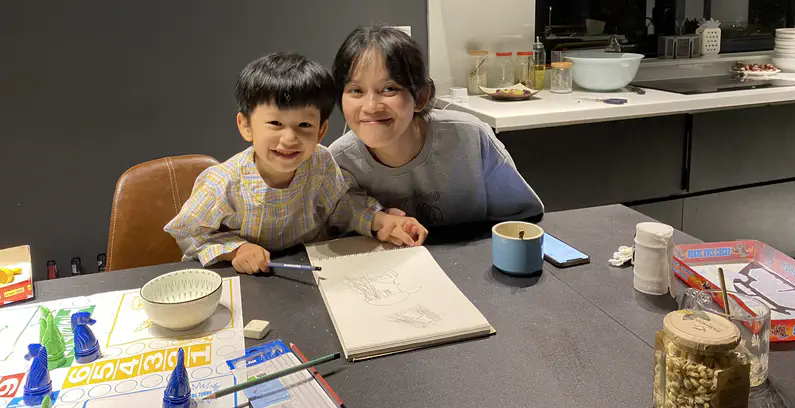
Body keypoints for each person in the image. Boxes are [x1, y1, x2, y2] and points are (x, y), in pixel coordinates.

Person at [165, 52, 427, 274]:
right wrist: (237, 250)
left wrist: (379, 221)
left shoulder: (320, 162)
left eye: (304, 125)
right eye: (275, 123)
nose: (289, 139)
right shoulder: (223, 182)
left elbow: (341, 205)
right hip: (252, 283)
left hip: (314, 274)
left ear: (321, 131)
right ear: (246, 125)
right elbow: (189, 232)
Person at [329, 25, 544, 228]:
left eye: (389, 88)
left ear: (420, 97)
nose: (370, 106)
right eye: (356, 91)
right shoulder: (338, 162)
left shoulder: (470, 138)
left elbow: (523, 220)